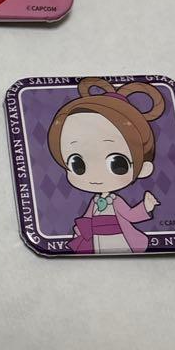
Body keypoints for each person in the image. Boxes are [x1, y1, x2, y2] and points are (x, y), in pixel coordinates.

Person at [46, 78, 164, 254]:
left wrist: (146, 206)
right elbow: (87, 218)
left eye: (117, 164)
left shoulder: (116, 201)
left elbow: (130, 215)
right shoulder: (95, 201)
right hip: (97, 240)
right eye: (77, 164)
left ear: (143, 168)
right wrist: (80, 230)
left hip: (119, 238)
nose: (95, 175)